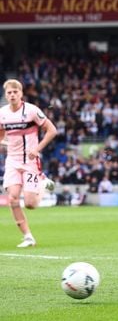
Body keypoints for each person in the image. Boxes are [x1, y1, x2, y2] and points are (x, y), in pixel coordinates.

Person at [0, 79, 57, 248]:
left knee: (31, 204)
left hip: (31, 162)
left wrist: (37, 149)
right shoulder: (2, 113)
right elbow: (1, 134)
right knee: (13, 199)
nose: (12, 95)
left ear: (21, 94)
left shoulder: (32, 111)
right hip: (12, 161)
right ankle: (28, 237)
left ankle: (43, 183)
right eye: (9, 92)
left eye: (15, 92)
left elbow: (52, 130)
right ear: (5, 94)